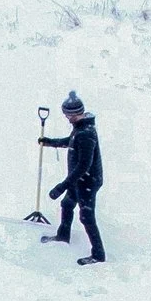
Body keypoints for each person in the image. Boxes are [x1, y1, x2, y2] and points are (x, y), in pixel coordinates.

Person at [38, 91, 107, 266]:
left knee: (86, 216)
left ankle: (98, 254)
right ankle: (63, 235)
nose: (67, 118)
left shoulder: (86, 133)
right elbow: (70, 141)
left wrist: (61, 186)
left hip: (88, 181)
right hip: (78, 179)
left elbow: (84, 166)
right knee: (67, 204)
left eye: (68, 115)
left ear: (76, 113)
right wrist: (49, 142)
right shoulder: (81, 128)